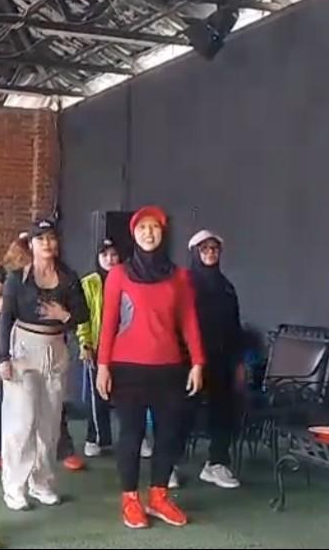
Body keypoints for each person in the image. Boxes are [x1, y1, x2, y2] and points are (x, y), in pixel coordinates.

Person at [97, 205, 205, 529]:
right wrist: (103, 365)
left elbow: (189, 322)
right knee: (131, 435)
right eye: (142, 227)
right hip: (127, 368)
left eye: (154, 227)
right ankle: (130, 499)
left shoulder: (180, 277)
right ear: (134, 234)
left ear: (163, 233)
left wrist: (198, 362)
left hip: (169, 368)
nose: (148, 232)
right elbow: (108, 323)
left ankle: (159, 496)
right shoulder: (118, 275)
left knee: (168, 435)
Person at [0, 219, 89, 511]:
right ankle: (15, 487)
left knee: (49, 424)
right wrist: (2, 357)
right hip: (23, 348)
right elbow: (5, 317)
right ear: (31, 244)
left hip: (56, 348)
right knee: (21, 421)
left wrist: (65, 316)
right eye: (40, 239)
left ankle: (42, 483)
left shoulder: (68, 277)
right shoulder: (18, 278)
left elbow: (83, 314)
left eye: (51, 238)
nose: (47, 244)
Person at [188, 229, 244, 490]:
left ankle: (216, 463)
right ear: (195, 253)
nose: (210, 253)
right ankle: (169, 466)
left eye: (214, 249)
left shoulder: (226, 286)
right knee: (181, 412)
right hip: (190, 361)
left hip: (222, 360)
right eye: (204, 249)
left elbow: (235, 327)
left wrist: (238, 362)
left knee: (223, 411)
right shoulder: (186, 284)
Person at [67, 239, 122, 459]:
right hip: (97, 346)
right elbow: (82, 317)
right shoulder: (89, 283)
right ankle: (95, 438)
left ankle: (137, 439)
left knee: (129, 396)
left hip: (124, 348)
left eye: (114, 254)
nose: (110, 259)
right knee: (97, 395)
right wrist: (85, 343)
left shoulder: (127, 279)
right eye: (105, 255)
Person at [0, 235, 33, 470]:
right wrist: (18, 302)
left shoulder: (42, 274)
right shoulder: (1, 273)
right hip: (4, 337)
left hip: (31, 338)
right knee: (1, 395)